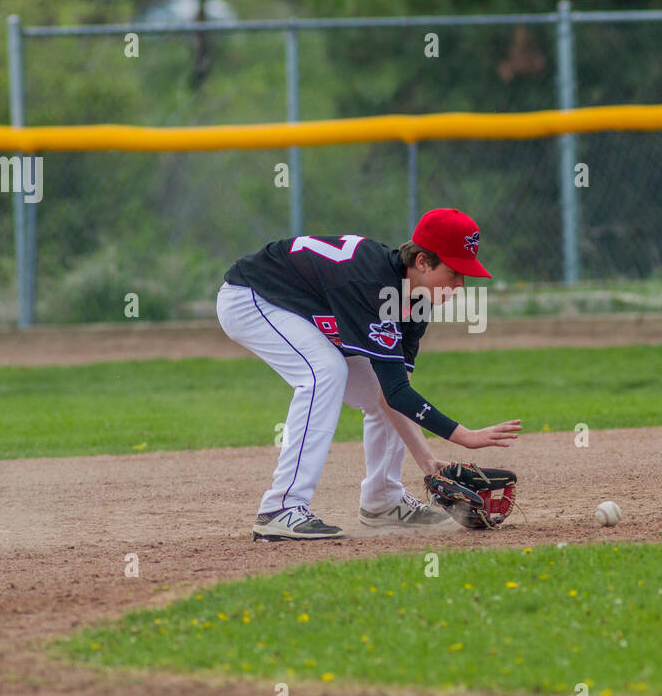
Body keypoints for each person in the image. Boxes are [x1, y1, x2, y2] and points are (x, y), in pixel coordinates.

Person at [216, 207, 522, 541]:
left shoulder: (416, 301)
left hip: (298, 307)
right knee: (325, 371)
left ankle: (383, 500)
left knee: (373, 386)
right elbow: (397, 394)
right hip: (251, 298)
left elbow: (393, 393)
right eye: (454, 273)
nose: (461, 285)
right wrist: (463, 435)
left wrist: (428, 462)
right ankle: (281, 507)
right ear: (422, 262)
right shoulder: (373, 285)